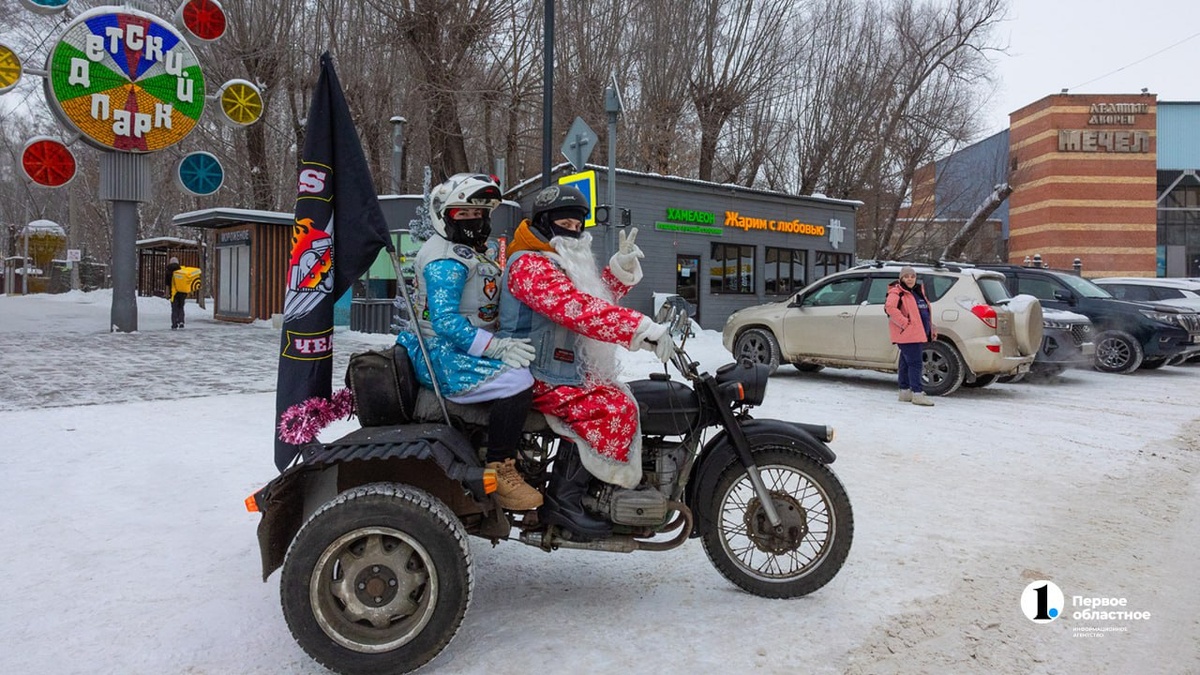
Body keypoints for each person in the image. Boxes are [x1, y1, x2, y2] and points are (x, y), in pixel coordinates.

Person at [498, 184, 675, 539]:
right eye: (565, 221)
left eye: (579, 222)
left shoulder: (555, 259)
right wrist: (641, 328)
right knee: (611, 408)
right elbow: (575, 309)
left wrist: (618, 272)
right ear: (544, 223)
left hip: (562, 368)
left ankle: (598, 492)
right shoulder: (528, 265)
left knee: (622, 397)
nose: (574, 229)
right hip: (533, 370)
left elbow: (585, 295)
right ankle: (564, 500)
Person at [396, 173, 543, 511]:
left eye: (479, 214)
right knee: (517, 380)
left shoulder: (471, 251)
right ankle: (500, 466)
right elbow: (445, 321)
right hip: (443, 353)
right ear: (445, 216)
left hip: (468, 344)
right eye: (464, 214)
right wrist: (495, 348)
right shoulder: (445, 258)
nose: (474, 221)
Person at [885, 266, 938, 406]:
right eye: (906, 276)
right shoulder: (897, 292)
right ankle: (917, 393)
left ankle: (904, 391)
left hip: (918, 333)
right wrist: (904, 323)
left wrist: (931, 327)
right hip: (908, 334)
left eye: (912, 276)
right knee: (915, 363)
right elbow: (890, 308)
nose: (910, 279)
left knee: (906, 362)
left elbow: (922, 313)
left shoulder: (917, 292)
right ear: (901, 278)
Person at [165, 256, 186, 329]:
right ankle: (181, 321)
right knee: (181, 307)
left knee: (174, 308)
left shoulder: (168, 271)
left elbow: (167, 284)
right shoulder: (181, 270)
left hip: (173, 293)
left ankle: (174, 324)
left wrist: (167, 294)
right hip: (182, 292)